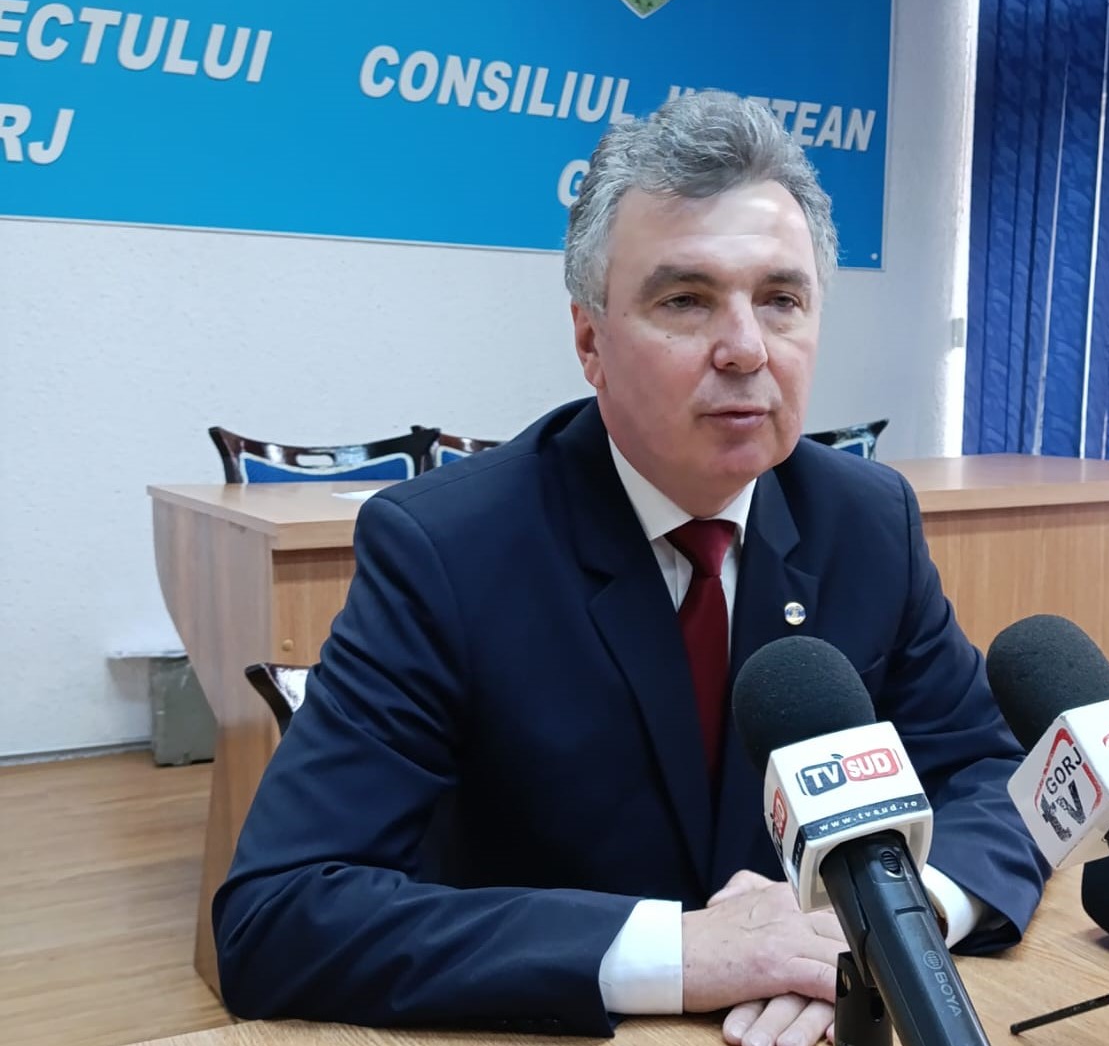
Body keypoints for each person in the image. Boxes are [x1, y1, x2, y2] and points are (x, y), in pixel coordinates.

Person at [213, 90, 1049, 1045]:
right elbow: (277, 913)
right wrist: (684, 951)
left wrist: (893, 924)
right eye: (685, 300)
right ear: (590, 341)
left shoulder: (866, 520)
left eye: (781, 299)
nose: (745, 348)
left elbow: (991, 770)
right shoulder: (445, 549)